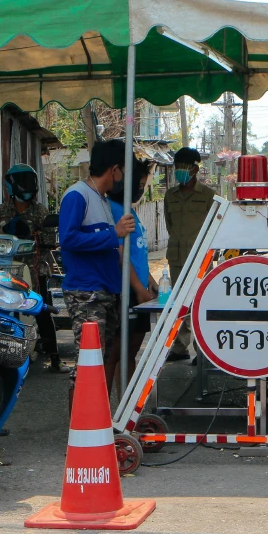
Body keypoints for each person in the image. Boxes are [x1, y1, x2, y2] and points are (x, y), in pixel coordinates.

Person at [58, 139, 135, 398]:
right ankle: (78, 433)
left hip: (105, 291)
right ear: (114, 169)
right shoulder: (77, 195)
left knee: (100, 361)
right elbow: (67, 239)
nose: (123, 177)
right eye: (122, 170)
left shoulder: (101, 200)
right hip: (86, 292)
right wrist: (113, 234)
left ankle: (95, 427)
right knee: (86, 364)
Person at [0, 164, 65, 373]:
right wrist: (4, 231)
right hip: (5, 271)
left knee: (42, 309)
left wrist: (32, 233)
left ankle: (54, 357)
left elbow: (50, 239)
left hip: (35, 270)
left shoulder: (40, 212)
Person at [107, 156, 156, 386]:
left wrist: (151, 280)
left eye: (143, 186)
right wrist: (138, 288)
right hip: (127, 291)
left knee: (129, 354)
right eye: (137, 185)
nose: (140, 190)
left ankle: (126, 411)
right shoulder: (115, 210)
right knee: (115, 354)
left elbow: (136, 251)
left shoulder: (130, 210)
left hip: (140, 290)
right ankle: (107, 414)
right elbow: (119, 254)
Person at [163, 147, 216, 361]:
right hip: (177, 258)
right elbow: (170, 225)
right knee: (177, 303)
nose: (180, 172)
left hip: (200, 259)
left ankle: (202, 352)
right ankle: (178, 347)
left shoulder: (208, 196)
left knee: (200, 304)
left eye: (184, 168)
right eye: (177, 168)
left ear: (195, 169)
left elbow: (214, 227)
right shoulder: (170, 195)